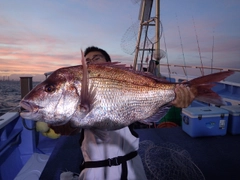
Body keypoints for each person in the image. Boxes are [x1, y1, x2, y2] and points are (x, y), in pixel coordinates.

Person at [56, 46, 195, 180]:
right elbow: (67, 129)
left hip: (131, 167)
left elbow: (146, 107)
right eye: (87, 61)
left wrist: (175, 99)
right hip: (94, 170)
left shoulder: (122, 81)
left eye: (96, 58)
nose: (91, 62)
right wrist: (54, 118)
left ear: (109, 64)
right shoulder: (77, 93)